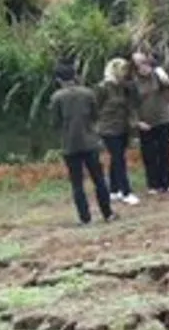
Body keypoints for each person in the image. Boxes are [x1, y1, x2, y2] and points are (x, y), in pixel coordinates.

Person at [52, 63, 116, 226]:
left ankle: (85, 218)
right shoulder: (88, 93)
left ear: (59, 80)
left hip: (70, 145)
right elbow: (95, 115)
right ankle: (107, 213)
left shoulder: (57, 97)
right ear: (75, 75)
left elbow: (55, 122)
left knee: (77, 183)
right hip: (90, 142)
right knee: (99, 179)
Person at [132, 50, 169, 195]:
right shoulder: (133, 83)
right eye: (140, 65)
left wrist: (163, 77)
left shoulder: (157, 75)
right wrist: (137, 121)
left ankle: (167, 182)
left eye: (145, 64)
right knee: (149, 154)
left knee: (164, 151)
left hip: (163, 119)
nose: (144, 68)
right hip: (146, 123)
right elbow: (130, 105)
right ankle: (153, 184)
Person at [96, 57, 140, 205]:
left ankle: (114, 190)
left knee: (117, 158)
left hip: (122, 126)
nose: (125, 73)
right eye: (122, 70)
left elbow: (132, 103)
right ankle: (126, 191)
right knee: (119, 159)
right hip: (108, 128)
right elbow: (96, 108)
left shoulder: (123, 87)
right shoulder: (103, 88)